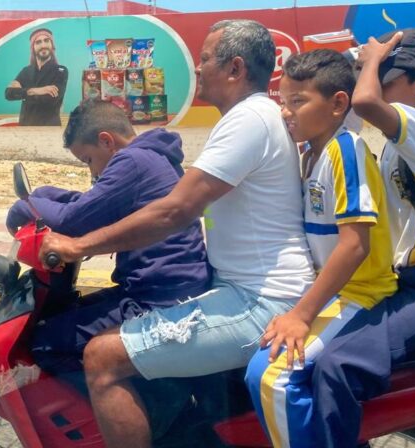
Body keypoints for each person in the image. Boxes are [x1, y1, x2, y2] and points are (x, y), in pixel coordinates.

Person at [39, 19, 315, 448]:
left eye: (205, 58)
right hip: (246, 290)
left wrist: (78, 246)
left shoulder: (248, 120)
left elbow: (174, 211)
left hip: (260, 301)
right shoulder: (257, 116)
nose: (199, 67)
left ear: (235, 68)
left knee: (103, 358)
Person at [311, 28, 415, 446]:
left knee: (336, 365)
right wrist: (359, 61)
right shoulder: (394, 145)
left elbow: (361, 102)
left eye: (387, 77)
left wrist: (374, 58)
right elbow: (342, 109)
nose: (376, 84)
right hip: (401, 286)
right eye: (374, 76)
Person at [244, 49, 398, 448]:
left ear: (337, 104)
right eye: (283, 101)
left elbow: (354, 245)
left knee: (271, 376)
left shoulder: (345, 152)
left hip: (359, 293)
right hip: (328, 292)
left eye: (298, 101)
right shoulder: (311, 152)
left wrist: (300, 314)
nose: (286, 112)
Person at [5, 99, 211, 375]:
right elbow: (95, 203)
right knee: (63, 317)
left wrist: (23, 207)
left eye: (88, 160)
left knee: (45, 342)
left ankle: (113, 409)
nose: (92, 171)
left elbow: (73, 220)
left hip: (157, 301)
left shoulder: (133, 161)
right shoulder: (153, 155)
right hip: (162, 290)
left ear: (105, 141)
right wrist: (43, 195)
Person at [5, 28, 68, 126]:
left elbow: (50, 100)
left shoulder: (61, 71)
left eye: (46, 41)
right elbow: (9, 94)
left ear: (52, 45)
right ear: (33, 47)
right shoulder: (26, 71)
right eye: (38, 42)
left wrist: (23, 94)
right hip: (25, 129)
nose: (43, 45)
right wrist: (37, 90)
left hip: (49, 130)